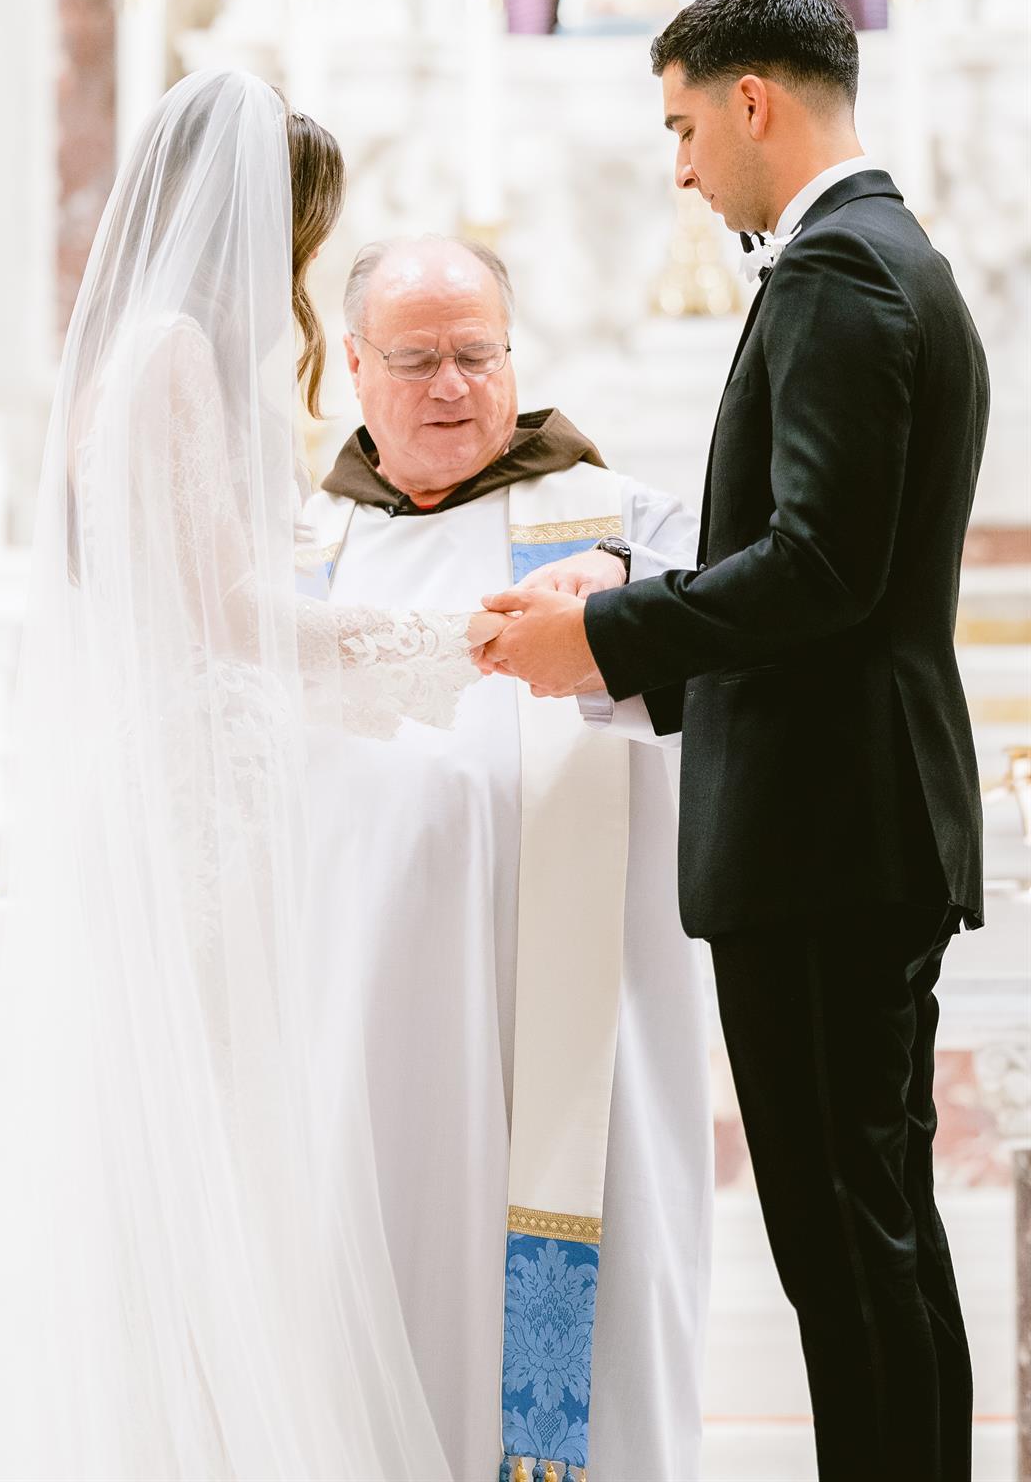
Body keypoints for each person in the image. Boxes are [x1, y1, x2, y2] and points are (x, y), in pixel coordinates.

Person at [0, 70, 503, 1482]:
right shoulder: (174, 358)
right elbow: (229, 615)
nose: (292, 262)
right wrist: (443, 640)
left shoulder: (131, 356)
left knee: (188, 1138)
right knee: (220, 1136)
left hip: (178, 774)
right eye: (293, 229)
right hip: (204, 795)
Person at [479, 0, 988, 1482]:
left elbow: (823, 569)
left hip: (824, 832)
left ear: (751, 101)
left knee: (844, 1246)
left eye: (685, 127)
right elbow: (820, 553)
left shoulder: (836, 275)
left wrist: (602, 637)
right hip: (861, 821)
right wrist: (636, 588)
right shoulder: (897, 257)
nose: (683, 169)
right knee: (879, 1233)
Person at [301, 233, 712, 1481]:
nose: (453, 387)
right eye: (417, 359)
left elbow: (742, 608)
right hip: (359, 1018)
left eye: (477, 355)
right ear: (355, 367)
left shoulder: (613, 519)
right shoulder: (303, 544)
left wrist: (626, 584)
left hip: (575, 1031)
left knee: (588, 1289)